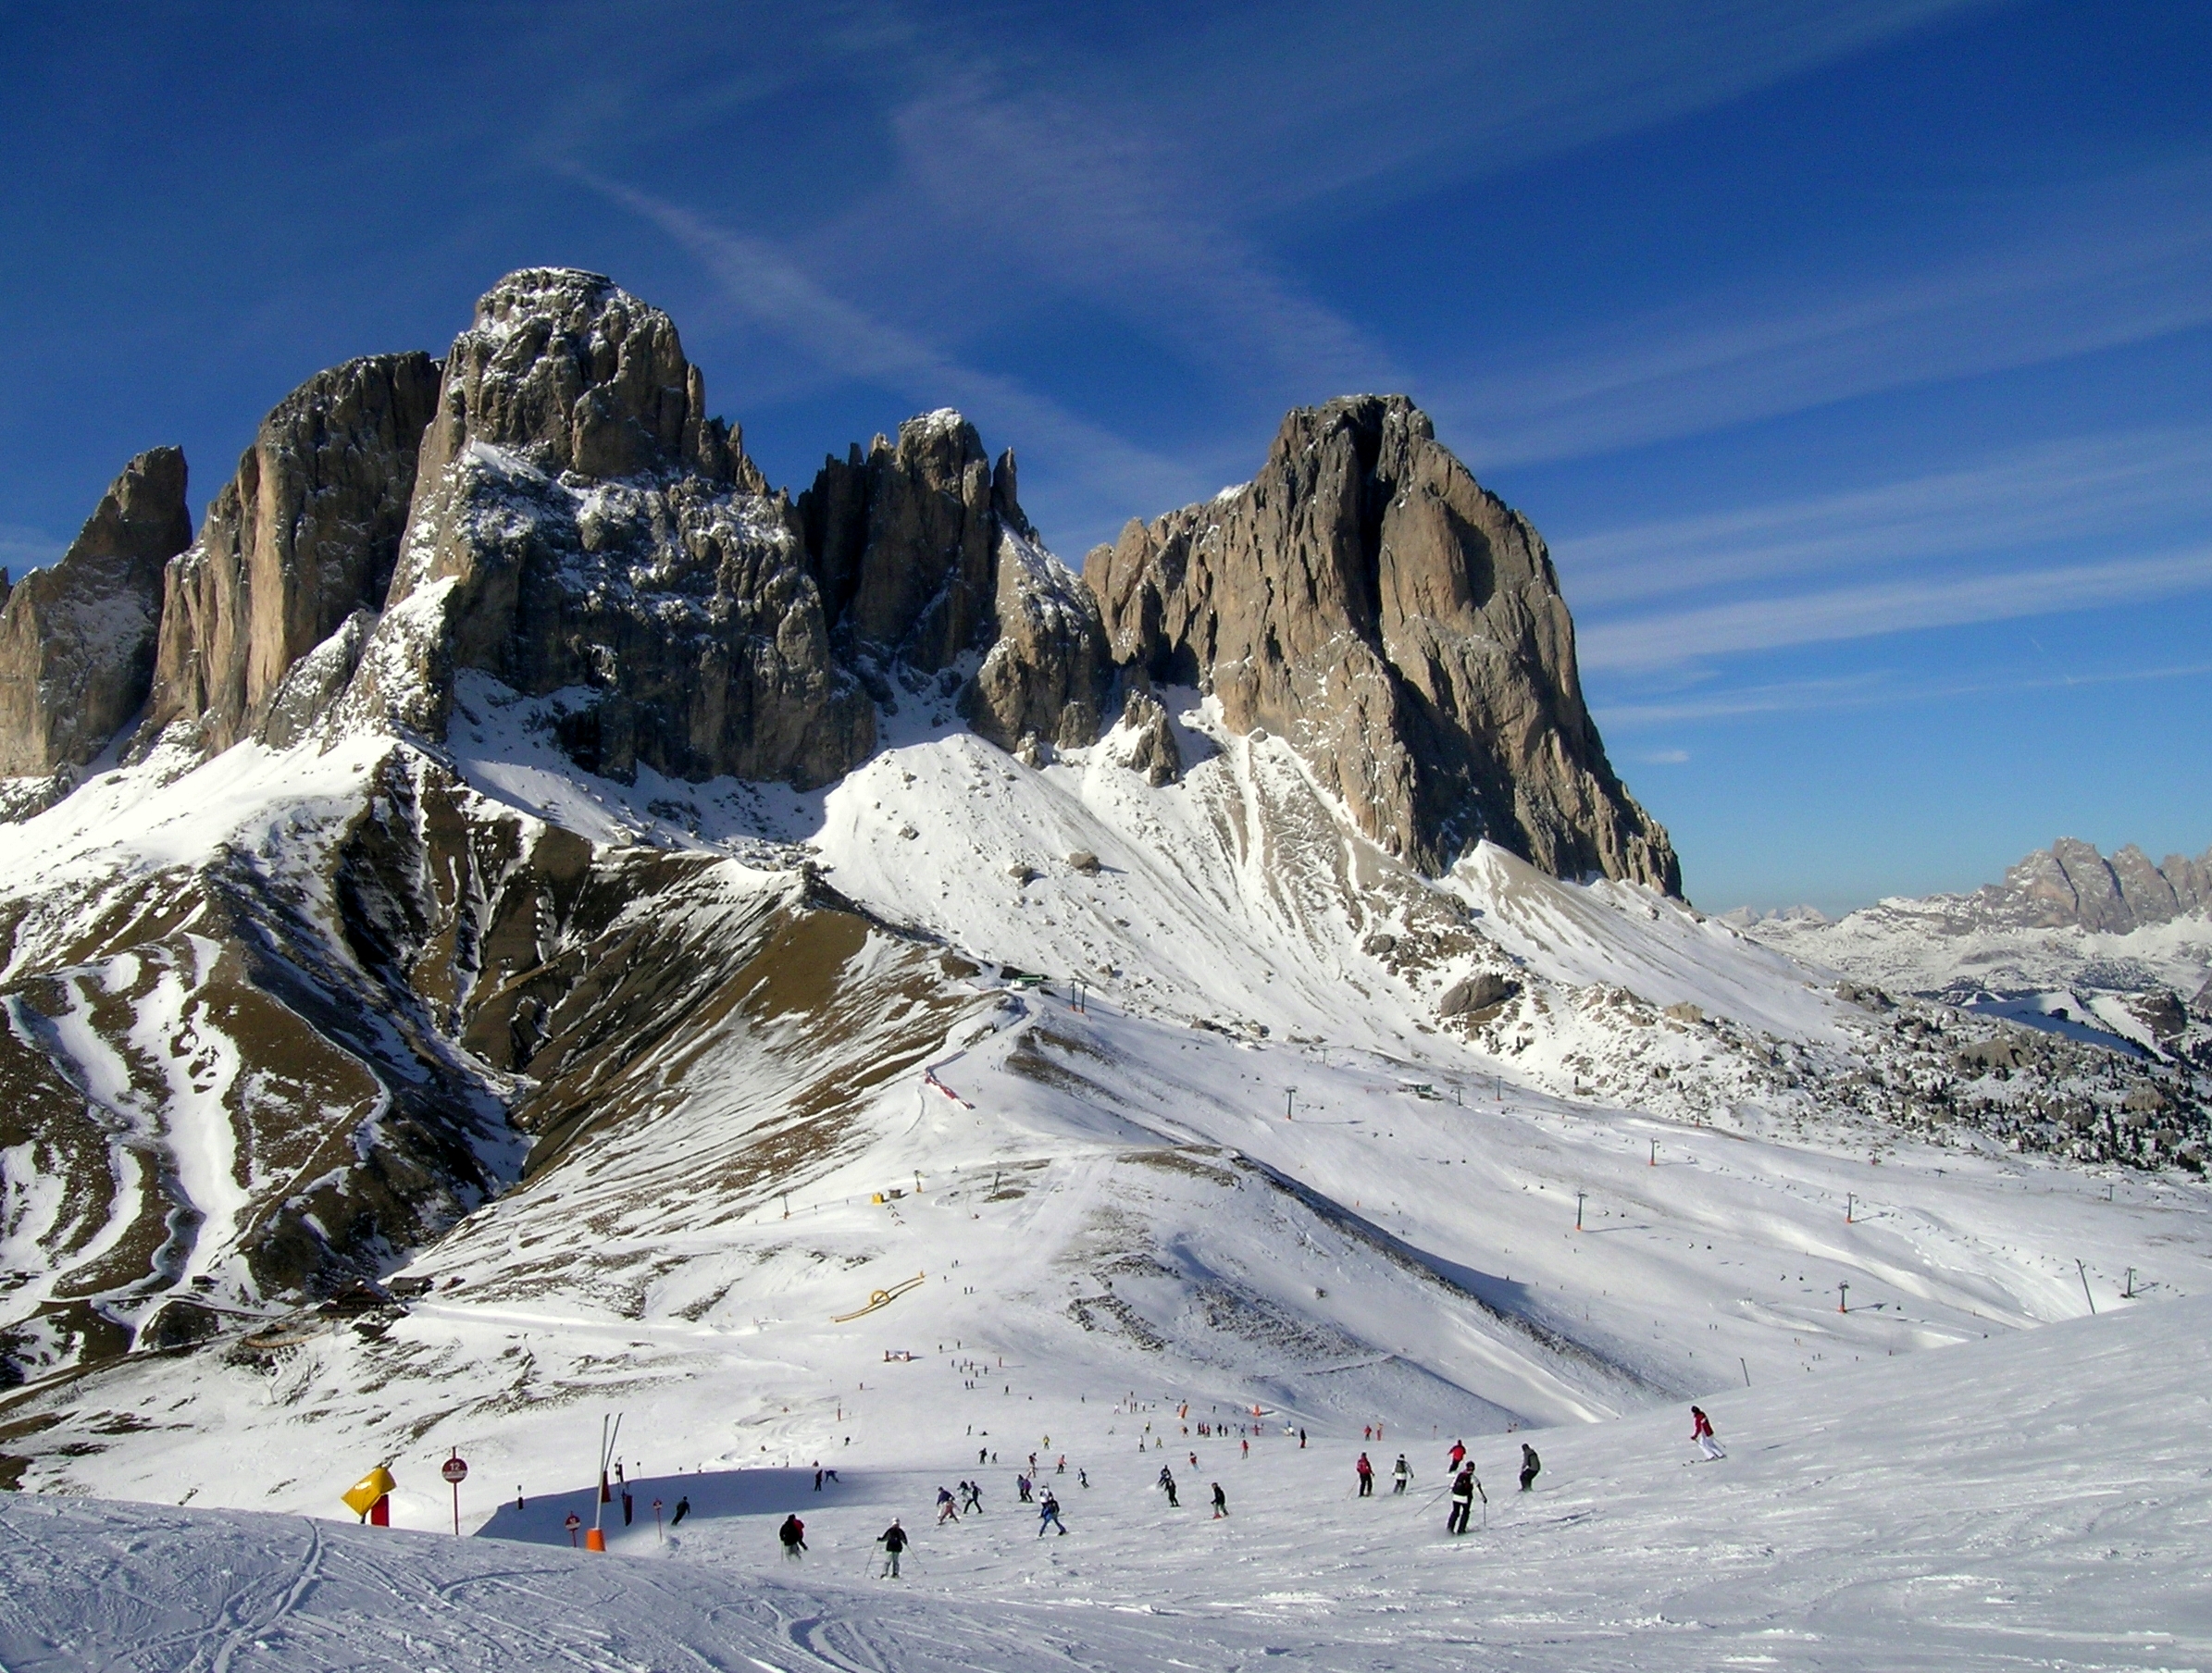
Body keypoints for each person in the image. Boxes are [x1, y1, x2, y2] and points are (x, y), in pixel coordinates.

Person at [1447, 1466, 1484, 1535]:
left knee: (1455, 1512)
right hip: (1465, 1498)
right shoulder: (1473, 1478)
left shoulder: (1459, 1475)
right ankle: (1461, 1530)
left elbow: (1452, 1485)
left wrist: (1452, 1492)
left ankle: (1449, 1529)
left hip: (1456, 1497)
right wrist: (1483, 1499)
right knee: (1465, 1513)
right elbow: (1477, 1489)